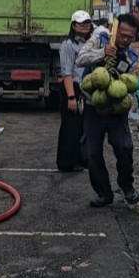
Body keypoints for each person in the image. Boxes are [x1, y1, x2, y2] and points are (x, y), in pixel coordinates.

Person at [76, 13, 139, 207]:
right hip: (92, 106)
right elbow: (80, 59)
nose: (125, 40)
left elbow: (130, 84)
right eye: (122, 35)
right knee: (93, 153)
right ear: (115, 30)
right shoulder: (100, 37)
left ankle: (126, 185)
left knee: (124, 148)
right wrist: (103, 52)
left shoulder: (132, 57)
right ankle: (104, 193)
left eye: (130, 37)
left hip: (115, 110)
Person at [58, 11, 93, 172]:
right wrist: (71, 97)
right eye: (81, 23)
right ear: (73, 26)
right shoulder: (68, 45)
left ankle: (80, 159)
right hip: (73, 88)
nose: (85, 26)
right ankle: (66, 162)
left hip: (86, 90)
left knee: (82, 127)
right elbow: (67, 72)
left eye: (87, 23)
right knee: (70, 127)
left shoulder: (91, 43)